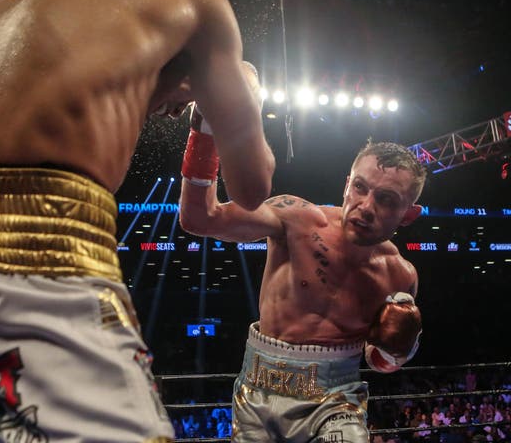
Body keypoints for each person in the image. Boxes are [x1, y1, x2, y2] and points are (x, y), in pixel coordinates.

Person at [0, 0, 275, 442]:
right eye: (185, 99)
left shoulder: (11, 11)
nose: (171, 111)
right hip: (36, 268)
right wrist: (216, 114)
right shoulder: (203, 7)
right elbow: (251, 188)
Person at [179, 131, 426, 441]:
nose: (365, 206)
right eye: (360, 188)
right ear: (347, 184)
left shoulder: (401, 277)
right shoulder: (297, 220)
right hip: (258, 395)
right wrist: (206, 132)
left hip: (335, 400)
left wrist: (401, 349)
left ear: (409, 214)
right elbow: (200, 218)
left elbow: (378, 360)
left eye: (386, 199)